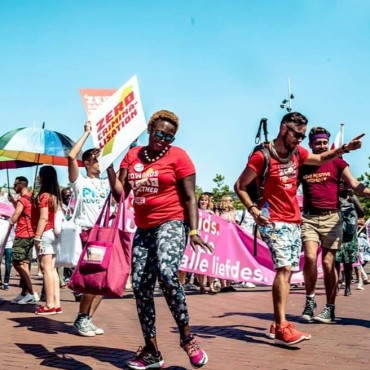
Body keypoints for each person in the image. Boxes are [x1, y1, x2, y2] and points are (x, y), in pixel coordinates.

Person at [234, 112, 364, 346]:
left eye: (304, 136)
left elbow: (322, 158)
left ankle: (276, 323)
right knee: (284, 269)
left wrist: (344, 149)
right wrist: (253, 210)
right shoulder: (262, 156)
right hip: (272, 219)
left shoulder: (298, 153)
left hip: (294, 220)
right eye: (297, 135)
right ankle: (283, 326)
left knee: (289, 270)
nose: (300, 140)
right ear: (284, 129)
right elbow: (240, 185)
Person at [108, 109, 212, 369]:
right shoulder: (132, 156)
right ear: (149, 130)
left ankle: (187, 338)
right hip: (144, 228)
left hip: (173, 222)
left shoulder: (180, 157)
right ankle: (152, 352)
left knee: (167, 272)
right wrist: (109, 167)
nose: (163, 140)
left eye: (169, 137)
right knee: (141, 285)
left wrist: (194, 231)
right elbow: (120, 194)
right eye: (159, 134)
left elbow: (190, 198)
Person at [299, 127, 370, 323]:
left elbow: (355, 185)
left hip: (332, 219)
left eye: (324, 142)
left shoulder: (338, 162)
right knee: (311, 258)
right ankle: (310, 300)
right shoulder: (304, 164)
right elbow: (288, 187)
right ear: (311, 144)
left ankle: (329, 308)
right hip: (309, 218)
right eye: (317, 143)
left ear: (328, 143)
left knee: (329, 264)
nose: (321, 146)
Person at [68, 122, 111, 337]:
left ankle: (87, 318)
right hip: (88, 232)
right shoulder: (80, 181)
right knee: (92, 278)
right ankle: (81, 318)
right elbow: (70, 156)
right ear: (86, 163)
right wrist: (86, 132)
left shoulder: (106, 183)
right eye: (95, 159)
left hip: (106, 233)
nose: (99, 162)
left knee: (102, 281)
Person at [33, 166, 63, 315]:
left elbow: (43, 217)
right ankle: (56, 303)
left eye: (40, 176)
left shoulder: (44, 196)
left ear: (43, 177)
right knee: (52, 269)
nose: (38, 178)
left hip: (45, 233)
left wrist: (37, 237)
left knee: (46, 269)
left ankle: (49, 304)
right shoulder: (55, 196)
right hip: (55, 233)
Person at [8, 176, 39, 304]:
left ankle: (31, 293)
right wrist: (13, 202)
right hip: (30, 234)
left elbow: (16, 215)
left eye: (16, 184)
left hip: (22, 234)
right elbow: (24, 210)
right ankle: (25, 292)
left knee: (16, 263)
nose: (14, 187)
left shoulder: (22, 199)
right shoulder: (31, 198)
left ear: (22, 184)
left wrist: (10, 222)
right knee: (25, 264)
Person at [335, 186, 365, 296]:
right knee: (340, 262)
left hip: (345, 234)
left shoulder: (349, 197)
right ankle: (340, 286)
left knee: (344, 263)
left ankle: (345, 286)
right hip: (341, 234)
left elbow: (361, 213)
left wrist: (353, 200)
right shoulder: (336, 197)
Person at [215, 194, 238, 292]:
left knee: (230, 261)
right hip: (221, 238)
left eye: (231, 200)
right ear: (224, 201)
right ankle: (223, 284)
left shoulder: (233, 211)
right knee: (222, 261)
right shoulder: (218, 211)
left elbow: (235, 224)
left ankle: (229, 284)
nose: (231, 202)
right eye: (229, 200)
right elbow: (215, 222)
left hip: (231, 238)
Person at [197, 193, 218, 294]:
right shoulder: (196, 212)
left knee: (211, 264)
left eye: (205, 200)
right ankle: (201, 286)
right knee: (200, 265)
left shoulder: (211, 213)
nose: (203, 202)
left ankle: (211, 286)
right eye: (202, 200)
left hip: (210, 242)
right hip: (199, 241)